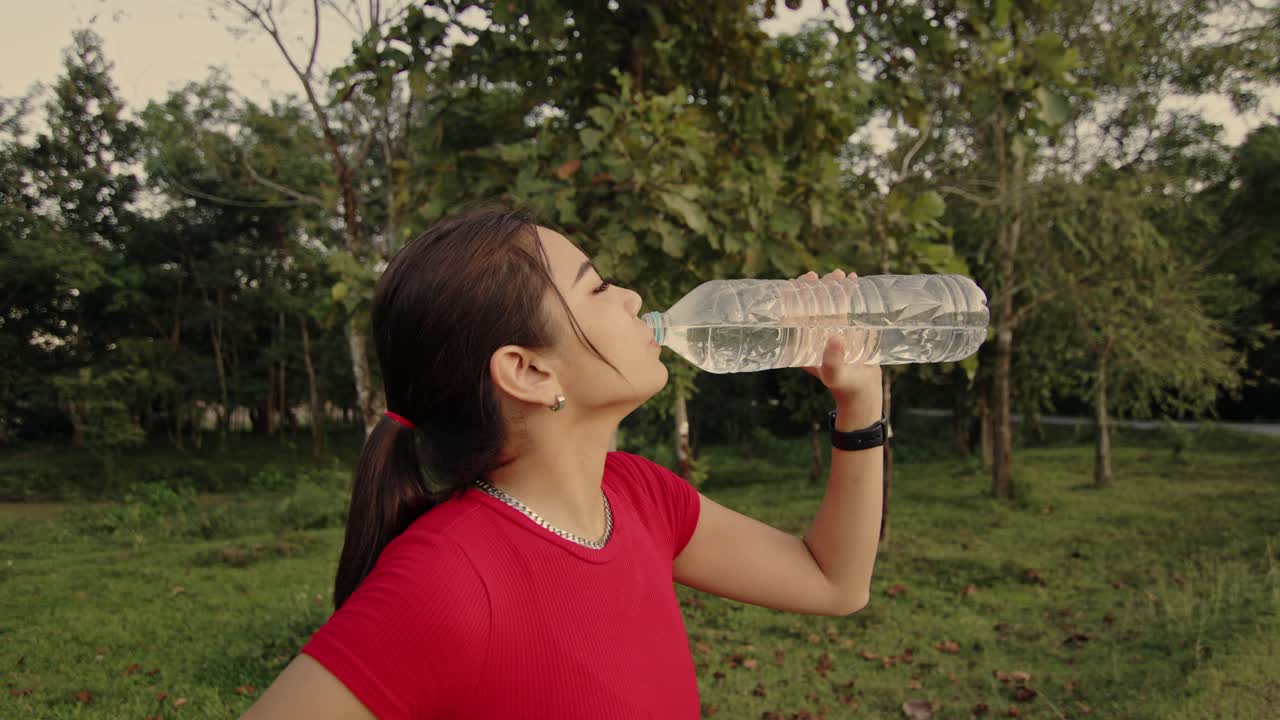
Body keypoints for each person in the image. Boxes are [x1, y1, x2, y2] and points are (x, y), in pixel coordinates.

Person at [241, 205, 885, 720]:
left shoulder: (638, 497)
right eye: (598, 287)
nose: (632, 298)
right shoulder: (448, 578)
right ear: (526, 370)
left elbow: (833, 582)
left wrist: (859, 399)